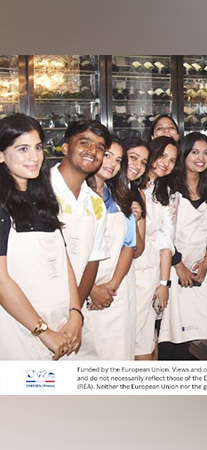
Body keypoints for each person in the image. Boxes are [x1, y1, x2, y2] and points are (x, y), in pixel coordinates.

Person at [0, 114, 83, 360]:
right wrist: (43, 330)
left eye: (38, 147)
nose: (35, 157)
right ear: (1, 154)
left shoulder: (44, 199)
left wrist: (76, 313)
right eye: (22, 149)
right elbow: (1, 282)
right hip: (20, 329)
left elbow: (62, 259)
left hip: (60, 323)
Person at [158, 132, 207, 360]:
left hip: (202, 272)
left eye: (206, 153)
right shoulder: (168, 186)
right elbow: (161, 232)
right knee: (174, 337)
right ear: (184, 154)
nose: (201, 158)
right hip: (173, 270)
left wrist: (206, 262)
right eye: (195, 152)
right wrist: (178, 265)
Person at [50, 120, 112, 359]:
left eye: (99, 148)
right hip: (35, 306)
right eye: (84, 142)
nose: (92, 151)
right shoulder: (40, 188)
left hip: (72, 308)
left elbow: (92, 259)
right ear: (65, 147)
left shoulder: (95, 203)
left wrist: (74, 311)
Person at [85, 136, 137, 360]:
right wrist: (91, 289)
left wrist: (111, 286)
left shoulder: (121, 198)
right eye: (107, 155)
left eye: (118, 160)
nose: (112, 164)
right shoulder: (76, 195)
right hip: (80, 291)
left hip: (114, 294)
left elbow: (130, 245)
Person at [133, 136, 180, 360]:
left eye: (172, 160)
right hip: (121, 268)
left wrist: (164, 283)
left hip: (148, 269)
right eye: (163, 156)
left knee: (146, 334)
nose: (166, 163)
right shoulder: (128, 183)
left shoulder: (169, 193)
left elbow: (166, 239)